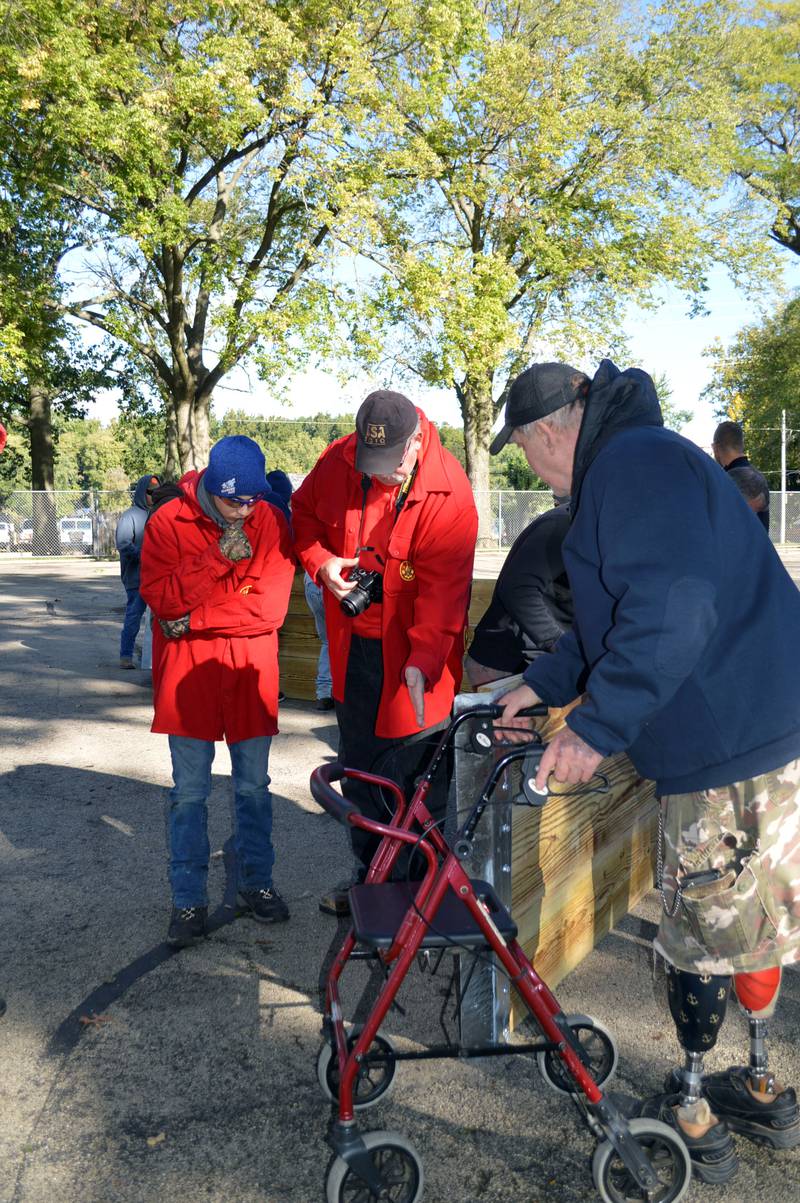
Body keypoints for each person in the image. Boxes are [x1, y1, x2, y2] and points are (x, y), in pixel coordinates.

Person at [493, 359, 800, 1184]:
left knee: (698, 934)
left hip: (722, 749)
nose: (532, 473)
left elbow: (671, 613)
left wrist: (592, 731)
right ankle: (764, 1080)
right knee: (759, 921)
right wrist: (541, 685)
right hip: (762, 731)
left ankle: (695, 1112)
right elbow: (615, 623)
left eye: (525, 454)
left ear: (547, 430)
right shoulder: (644, 457)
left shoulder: (628, 467)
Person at [293, 390, 478, 915]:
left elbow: (443, 597)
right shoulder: (340, 458)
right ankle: (371, 883)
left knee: (418, 777)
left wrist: (421, 664)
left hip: (418, 656)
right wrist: (321, 561)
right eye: (370, 464)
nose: (381, 474)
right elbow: (302, 516)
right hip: (355, 651)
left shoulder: (451, 494)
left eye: (392, 462)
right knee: (361, 768)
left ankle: (420, 894)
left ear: (417, 440)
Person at [140, 436, 295, 948]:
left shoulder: (270, 522)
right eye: (234, 501)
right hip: (191, 680)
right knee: (189, 795)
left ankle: (257, 883)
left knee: (254, 787)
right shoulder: (168, 522)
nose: (244, 511)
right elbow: (161, 600)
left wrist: (194, 617)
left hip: (249, 675)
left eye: (252, 500)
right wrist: (216, 560)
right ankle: (188, 901)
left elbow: (268, 612)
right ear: (210, 484)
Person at [464, 499, 572, 689]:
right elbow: (518, 589)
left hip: (535, 661)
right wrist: (561, 645)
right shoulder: (565, 524)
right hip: (507, 664)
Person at [115, 474, 160, 668]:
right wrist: (144, 556)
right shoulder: (130, 516)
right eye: (151, 492)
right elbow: (123, 544)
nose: (154, 495)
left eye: (157, 492)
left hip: (156, 577)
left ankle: (154, 658)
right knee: (134, 615)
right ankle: (126, 656)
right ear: (143, 492)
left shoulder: (159, 513)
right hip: (136, 578)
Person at [712, 420, 770, 532]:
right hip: (761, 549)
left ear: (715, 448)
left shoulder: (725, 481)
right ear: (741, 444)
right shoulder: (759, 478)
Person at [303, 571, 334, 709]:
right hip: (337, 579)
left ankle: (324, 694)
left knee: (328, 641)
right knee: (347, 641)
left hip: (313, 580)